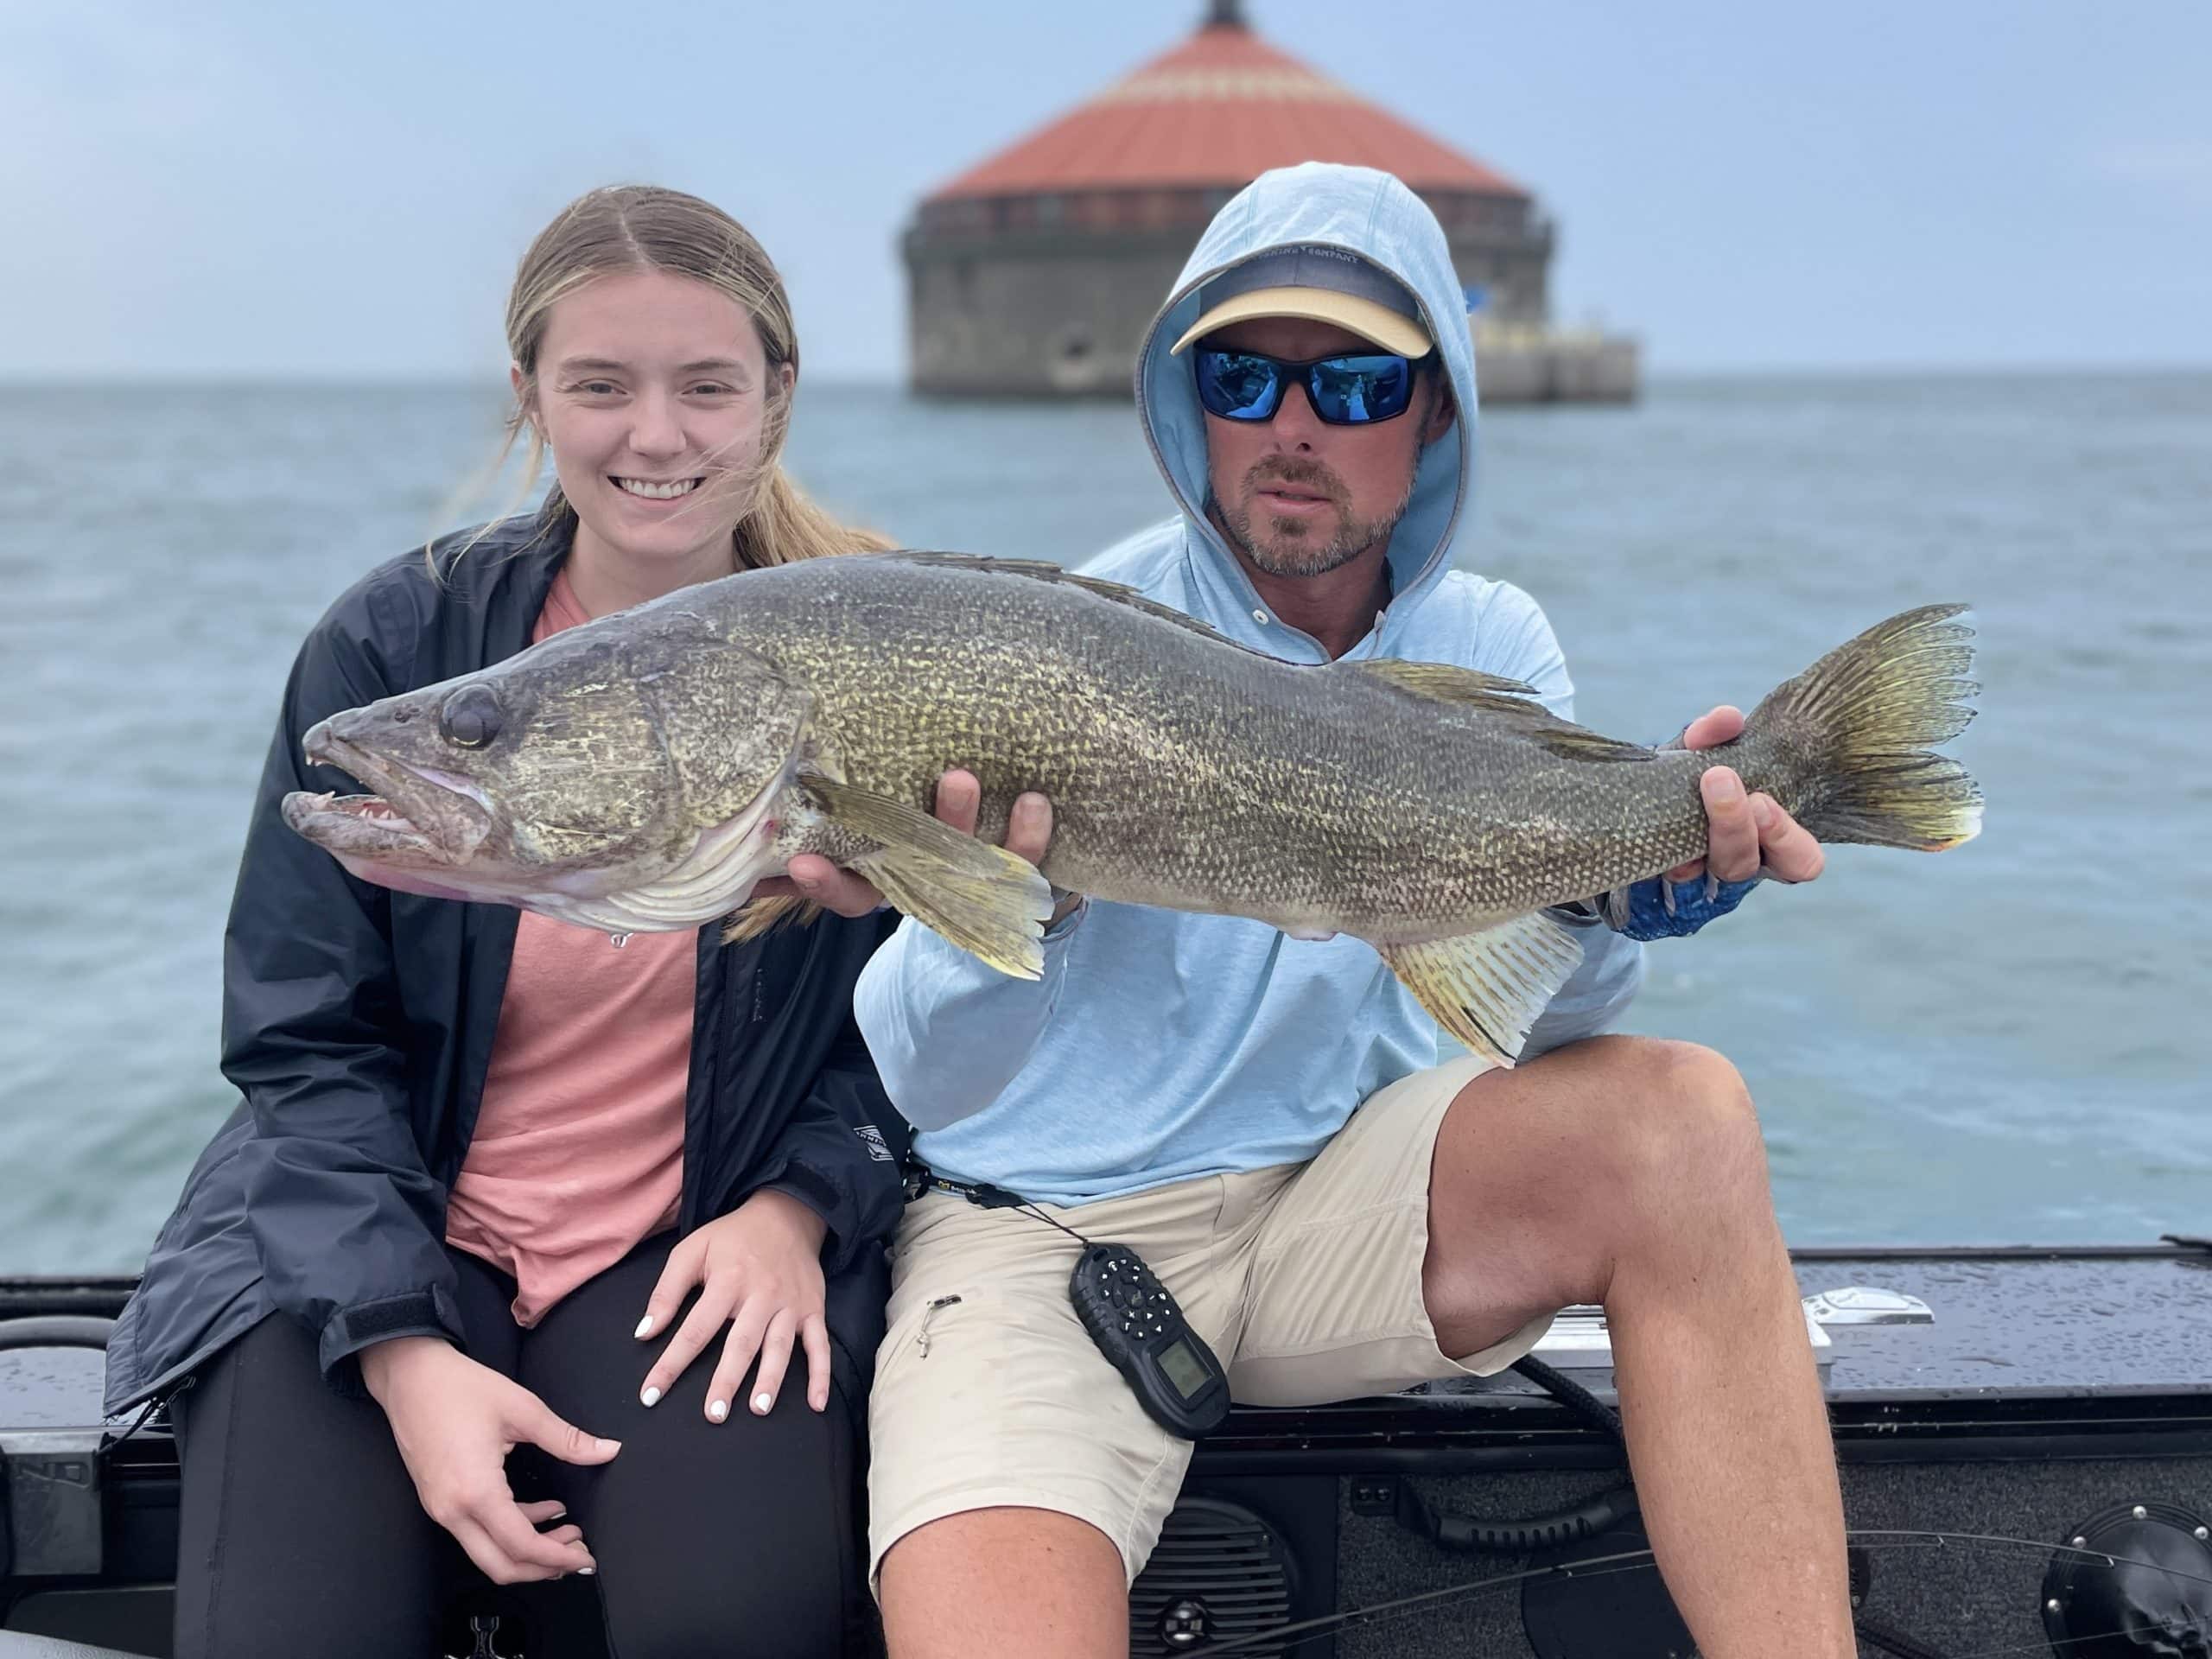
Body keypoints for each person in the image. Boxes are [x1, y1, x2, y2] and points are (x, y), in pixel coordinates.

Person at [790, 163, 1849, 1658]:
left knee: (1682, 1117)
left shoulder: (1490, 640)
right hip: (1038, 1241)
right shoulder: (1053, 642)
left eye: (1354, 383)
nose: (1292, 427)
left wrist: (1630, 902)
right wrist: (1005, 911)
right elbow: (920, 1076)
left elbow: (1511, 1009)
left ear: (1433, 417)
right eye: (1244, 376)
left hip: (1337, 1205)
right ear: (1187, 401)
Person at [104, 184, 907, 1659]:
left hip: (698, 1231)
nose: (653, 438)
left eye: (707, 387)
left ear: (778, 395)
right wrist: (407, 1358)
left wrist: (804, 1203)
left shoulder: (881, 642)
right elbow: (300, 1046)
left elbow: (950, 1032)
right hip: (371, 1218)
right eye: (599, 386)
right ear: (529, 391)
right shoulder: (395, 646)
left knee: (728, 1623)